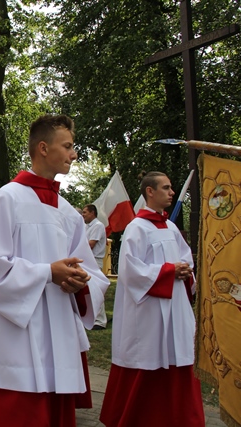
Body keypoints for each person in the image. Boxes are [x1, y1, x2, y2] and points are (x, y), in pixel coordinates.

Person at [0, 114, 109, 426]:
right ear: (44, 148)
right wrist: (47, 273)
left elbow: (90, 270)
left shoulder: (68, 212)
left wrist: (81, 282)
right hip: (14, 342)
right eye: (68, 146)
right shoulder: (7, 199)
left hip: (59, 338)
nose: (74, 154)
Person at [100, 171, 204, 427]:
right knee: (149, 357)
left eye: (171, 188)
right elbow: (130, 271)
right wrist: (169, 272)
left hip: (175, 306)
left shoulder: (171, 227)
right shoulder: (137, 228)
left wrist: (186, 271)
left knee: (178, 355)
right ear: (150, 191)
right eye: (166, 188)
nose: (171, 192)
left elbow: (186, 259)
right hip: (149, 310)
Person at [82, 203, 108, 330]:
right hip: (88, 261)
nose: (83, 215)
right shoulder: (87, 226)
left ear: (92, 213)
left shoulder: (98, 225)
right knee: (89, 290)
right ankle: (92, 317)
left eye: (85, 212)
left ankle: (100, 320)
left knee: (96, 289)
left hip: (95, 261)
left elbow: (91, 244)